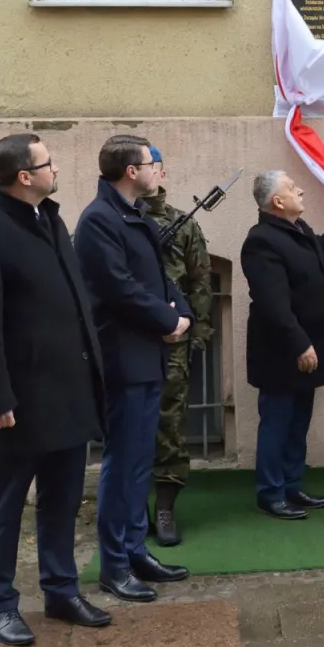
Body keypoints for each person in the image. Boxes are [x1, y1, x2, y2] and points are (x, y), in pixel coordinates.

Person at [0, 133, 111, 647]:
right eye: (48, 162)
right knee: (5, 504)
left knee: (62, 501)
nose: (56, 168)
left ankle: (61, 591)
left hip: (68, 392)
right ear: (24, 176)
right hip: (19, 404)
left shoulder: (52, 220)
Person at [73, 134, 192, 603]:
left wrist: (179, 312)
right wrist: (167, 321)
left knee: (140, 461)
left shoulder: (131, 214)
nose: (156, 169)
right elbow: (119, 288)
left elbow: (160, 279)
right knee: (122, 464)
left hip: (147, 353)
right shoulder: (99, 220)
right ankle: (114, 564)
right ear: (130, 171)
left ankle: (134, 549)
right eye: (150, 163)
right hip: (124, 357)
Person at [240, 170, 324, 519]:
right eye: (292, 187)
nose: (299, 189)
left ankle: (290, 485)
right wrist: (301, 344)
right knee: (277, 421)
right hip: (282, 352)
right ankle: (270, 494)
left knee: (298, 420)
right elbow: (274, 303)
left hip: (306, 349)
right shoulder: (261, 241)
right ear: (278, 201)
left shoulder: (296, 231)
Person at [140, 146, 213, 547]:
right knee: (131, 422)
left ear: (161, 172)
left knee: (170, 421)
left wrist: (198, 332)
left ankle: (165, 505)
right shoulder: (113, 221)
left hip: (174, 339)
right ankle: (134, 509)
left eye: (151, 166)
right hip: (130, 338)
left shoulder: (182, 224)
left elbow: (201, 282)